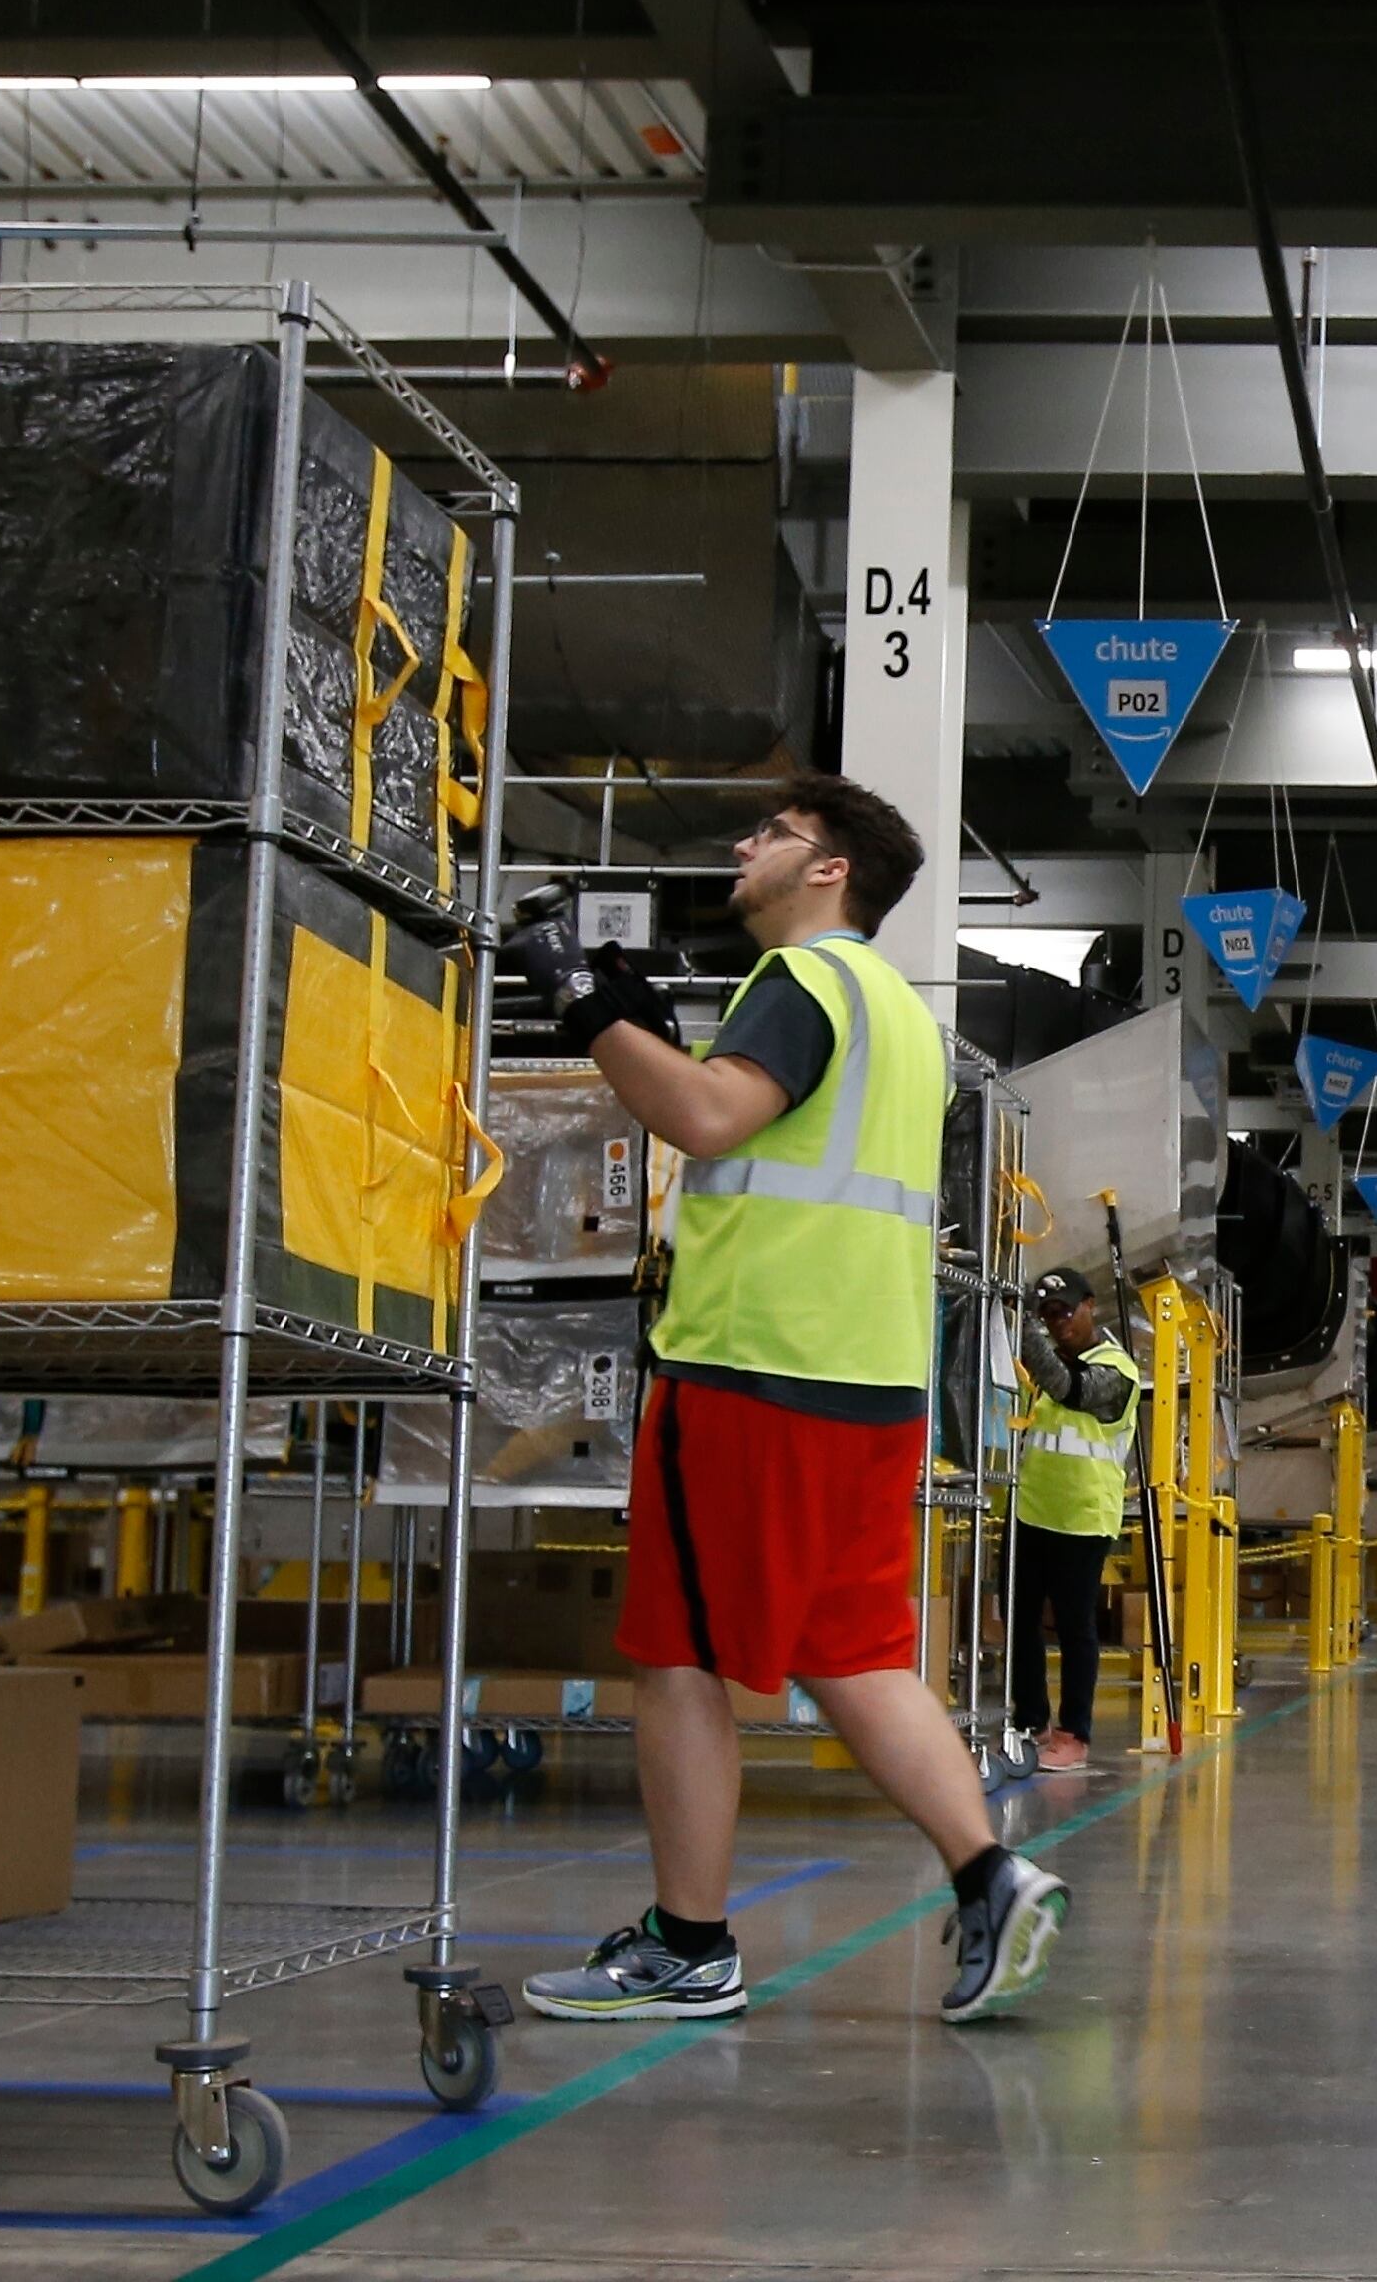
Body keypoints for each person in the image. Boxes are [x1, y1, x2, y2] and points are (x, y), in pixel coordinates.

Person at [501, 777, 1068, 2023]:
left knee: (682, 1656)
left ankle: (689, 1943)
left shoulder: (805, 984)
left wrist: (583, 1003)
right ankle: (990, 1874)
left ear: (828, 872)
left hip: (753, 1370)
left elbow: (708, 1119)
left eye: (773, 835)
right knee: (856, 1651)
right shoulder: (898, 1017)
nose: (744, 845)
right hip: (866, 1378)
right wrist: (647, 1033)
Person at [1008, 1266, 1141, 1772]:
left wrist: (1018, 1318)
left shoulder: (1117, 1371)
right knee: (1021, 1622)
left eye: (1064, 1310)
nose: (1057, 1322)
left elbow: (1070, 1389)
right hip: (1031, 1512)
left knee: (1074, 1628)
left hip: (1083, 1520)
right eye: (1047, 1315)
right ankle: (1031, 1721)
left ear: (1090, 1305)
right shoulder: (1039, 1374)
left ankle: (1073, 1733)